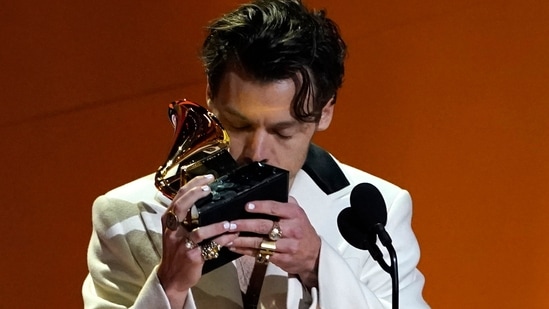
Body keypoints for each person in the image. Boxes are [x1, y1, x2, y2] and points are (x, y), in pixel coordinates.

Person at [82, 0, 429, 308]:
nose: (257, 152)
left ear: (325, 112)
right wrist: (168, 287)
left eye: (283, 131)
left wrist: (318, 265)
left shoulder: (376, 211)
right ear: (210, 98)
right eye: (239, 125)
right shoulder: (125, 217)